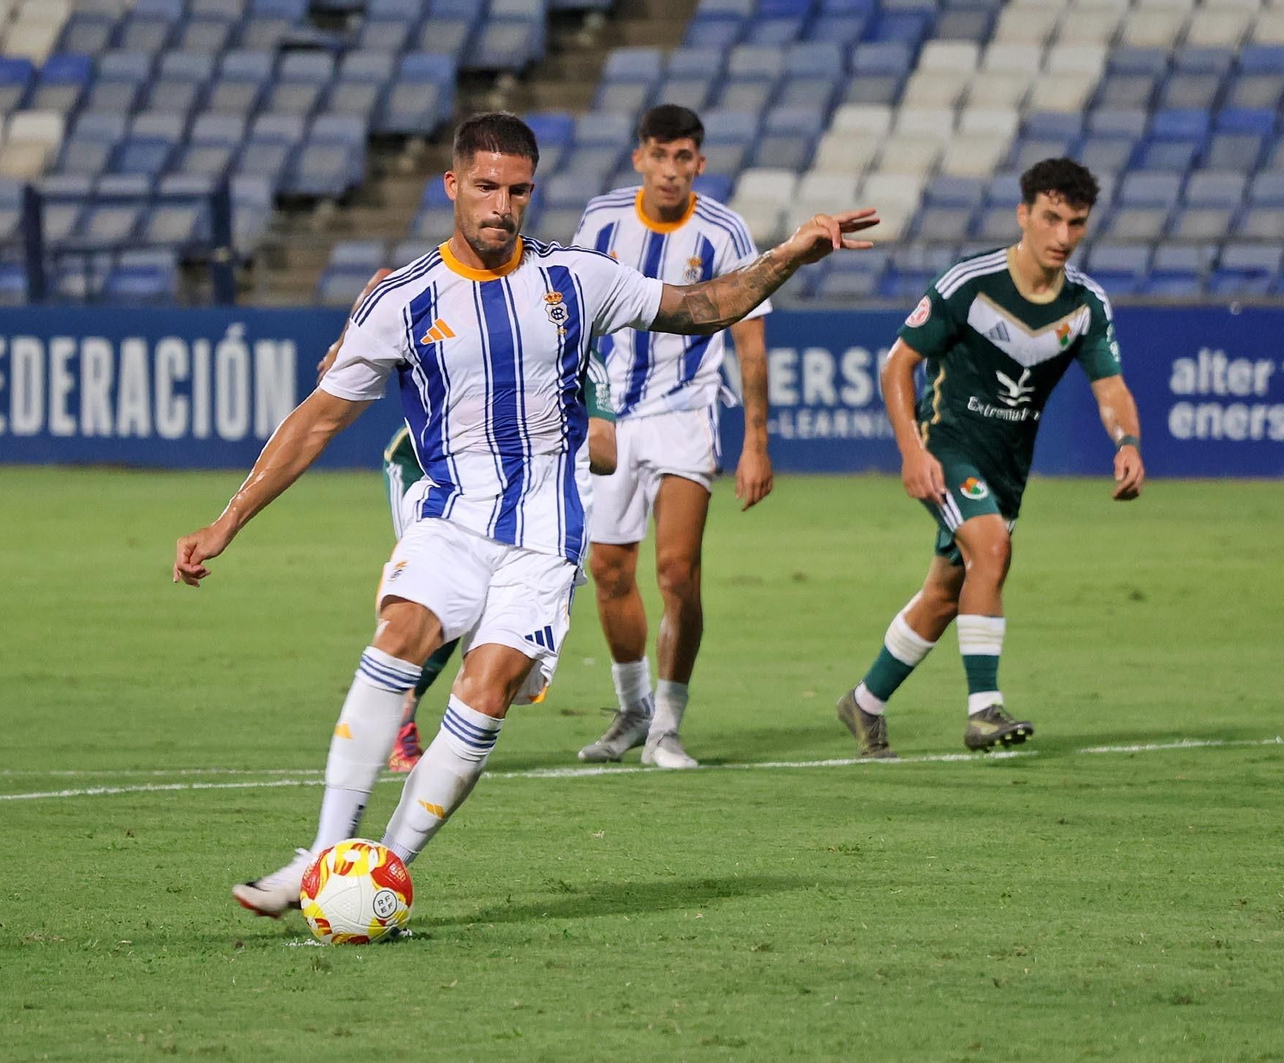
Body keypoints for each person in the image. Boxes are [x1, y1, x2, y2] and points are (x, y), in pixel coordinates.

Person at [171, 111, 876, 917]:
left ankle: (382, 871)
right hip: (450, 518)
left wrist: (790, 254)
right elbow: (316, 420)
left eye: (517, 190)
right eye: (485, 187)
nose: (501, 205)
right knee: (400, 632)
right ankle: (324, 855)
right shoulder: (402, 298)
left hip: (545, 535)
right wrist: (226, 521)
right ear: (452, 186)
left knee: (487, 686)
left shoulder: (577, 278)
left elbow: (705, 305)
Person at [834, 158, 1145, 758]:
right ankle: (983, 711)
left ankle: (864, 704)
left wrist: (1127, 443)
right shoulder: (969, 284)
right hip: (946, 447)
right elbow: (898, 364)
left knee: (949, 594)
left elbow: (1112, 388)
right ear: (1023, 214)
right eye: (1050, 218)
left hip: (1007, 468)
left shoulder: (1085, 305)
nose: (1061, 235)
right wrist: (912, 451)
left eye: (1075, 222)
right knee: (993, 550)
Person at [313, 279, 621, 773]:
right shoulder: (504, 324)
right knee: (449, 591)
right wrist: (346, 344)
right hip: (423, 472)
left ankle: (438, 722)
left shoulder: (582, 358)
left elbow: (605, 454)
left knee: (478, 605)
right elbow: (383, 282)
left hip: (509, 498)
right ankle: (400, 716)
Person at [570, 104, 776, 770]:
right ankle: (630, 710)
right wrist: (586, 406)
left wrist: (756, 441)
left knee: (677, 573)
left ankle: (667, 723)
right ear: (640, 159)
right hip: (611, 418)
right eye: (658, 156)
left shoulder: (723, 230)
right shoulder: (601, 221)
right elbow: (572, 318)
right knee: (608, 571)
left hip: (685, 415)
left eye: (682, 157)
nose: (669, 170)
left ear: (699, 164)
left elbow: (750, 342)